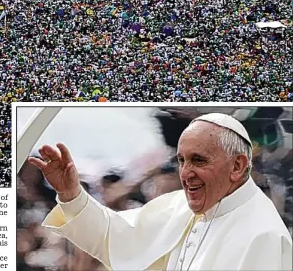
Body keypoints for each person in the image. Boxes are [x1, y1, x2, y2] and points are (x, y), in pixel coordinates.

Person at [30, 113, 292, 271]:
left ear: (237, 166)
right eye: (181, 161)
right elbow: (113, 235)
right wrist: (71, 193)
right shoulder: (175, 207)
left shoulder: (264, 233)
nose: (186, 172)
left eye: (199, 160)